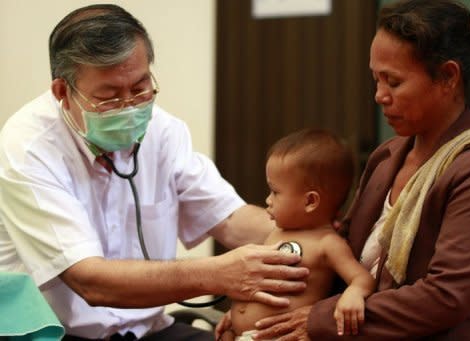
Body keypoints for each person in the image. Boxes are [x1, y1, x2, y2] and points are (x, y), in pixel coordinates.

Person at [0, 4, 310, 340]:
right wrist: (218, 274)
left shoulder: (163, 130)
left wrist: (310, 233)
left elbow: (231, 221)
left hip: (148, 330)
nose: (130, 107)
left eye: (139, 87)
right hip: (60, 334)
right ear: (63, 92)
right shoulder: (28, 147)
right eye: (108, 97)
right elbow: (90, 280)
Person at [244, 0, 470, 340]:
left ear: (447, 76)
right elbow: (345, 254)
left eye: (394, 82)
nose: (379, 96)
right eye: (376, 79)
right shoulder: (388, 155)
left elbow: (446, 297)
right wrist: (257, 313)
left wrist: (321, 319)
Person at [216, 129, 375, 340]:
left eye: (275, 192)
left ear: (310, 202)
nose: (268, 200)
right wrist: (235, 313)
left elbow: (362, 278)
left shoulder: (327, 243)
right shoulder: (277, 233)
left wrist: (354, 294)